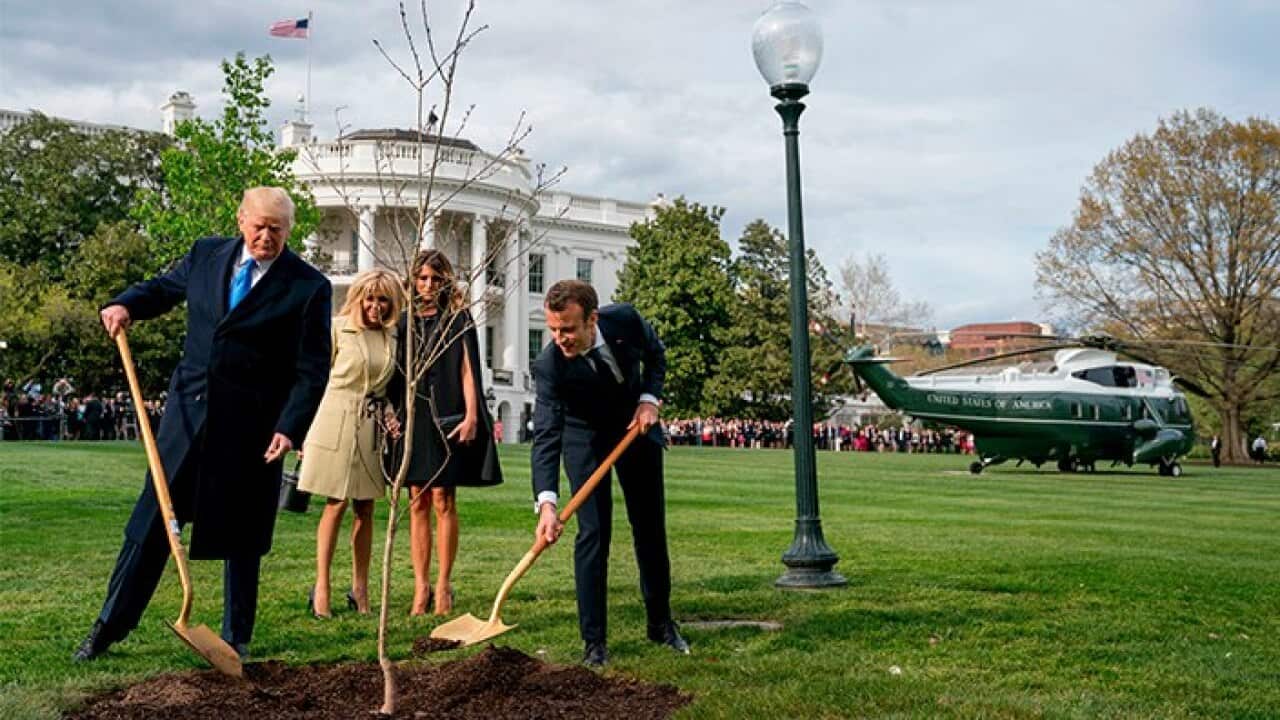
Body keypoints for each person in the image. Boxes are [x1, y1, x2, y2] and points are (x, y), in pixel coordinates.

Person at [73, 187, 332, 663]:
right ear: (241, 220)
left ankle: (236, 639)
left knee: (243, 535)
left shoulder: (308, 286)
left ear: (290, 231)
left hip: (253, 430)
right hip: (187, 418)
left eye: (277, 229)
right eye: (259, 225)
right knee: (151, 524)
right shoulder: (205, 255)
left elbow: (313, 367)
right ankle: (108, 627)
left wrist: (289, 426)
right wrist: (125, 304)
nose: (266, 236)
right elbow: (162, 288)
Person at [531, 279, 688, 668]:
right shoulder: (549, 366)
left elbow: (656, 356)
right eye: (553, 329)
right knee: (594, 533)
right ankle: (594, 642)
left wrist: (649, 400)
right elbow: (547, 435)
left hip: (636, 428)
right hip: (584, 438)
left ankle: (661, 624)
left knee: (649, 527)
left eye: (567, 328)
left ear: (592, 319)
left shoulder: (627, 321)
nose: (559, 338)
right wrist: (547, 503)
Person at [388, 249, 502, 617]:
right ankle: (421, 587)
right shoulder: (401, 322)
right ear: (413, 280)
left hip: (449, 412)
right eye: (422, 278)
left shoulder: (458, 320)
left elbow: (469, 370)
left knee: (443, 499)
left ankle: (443, 584)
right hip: (413, 414)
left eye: (436, 279)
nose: (428, 285)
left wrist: (472, 415)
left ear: (446, 281)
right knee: (417, 498)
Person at [298, 269, 402, 617]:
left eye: (383, 299)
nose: (375, 306)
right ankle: (322, 586)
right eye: (369, 298)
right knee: (335, 502)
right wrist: (300, 427)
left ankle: (360, 588)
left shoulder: (392, 337)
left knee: (366, 507)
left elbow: (383, 387)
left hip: (371, 425)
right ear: (358, 298)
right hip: (333, 418)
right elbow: (313, 379)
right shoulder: (337, 328)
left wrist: (389, 414)